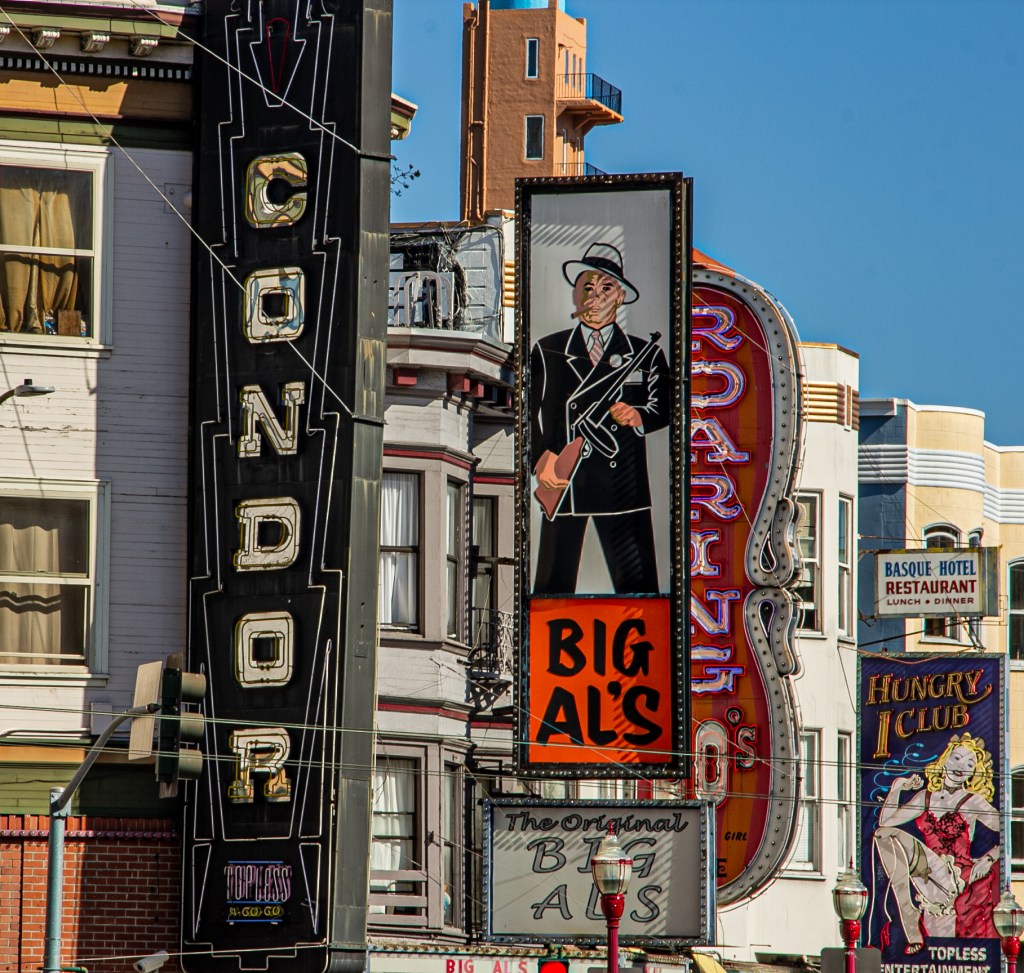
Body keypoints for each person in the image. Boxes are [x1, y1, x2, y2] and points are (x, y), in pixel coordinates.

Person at [530, 241, 670, 594]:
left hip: (623, 487)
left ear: (620, 297)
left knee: (640, 596)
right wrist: (540, 459)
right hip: (564, 481)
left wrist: (638, 415)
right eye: (587, 287)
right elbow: (527, 413)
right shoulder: (548, 349)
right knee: (550, 591)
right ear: (574, 294)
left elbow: (666, 406)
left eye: (606, 288)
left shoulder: (645, 352)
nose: (595, 296)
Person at [873, 733, 1000, 954]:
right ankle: (908, 912)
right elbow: (886, 821)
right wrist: (897, 788)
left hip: (956, 877)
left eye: (970, 764)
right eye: (957, 758)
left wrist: (989, 859)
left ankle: (909, 915)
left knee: (945, 949)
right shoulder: (925, 797)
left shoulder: (973, 801)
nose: (962, 766)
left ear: (974, 773)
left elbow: (1011, 831)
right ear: (944, 761)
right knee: (883, 835)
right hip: (928, 875)